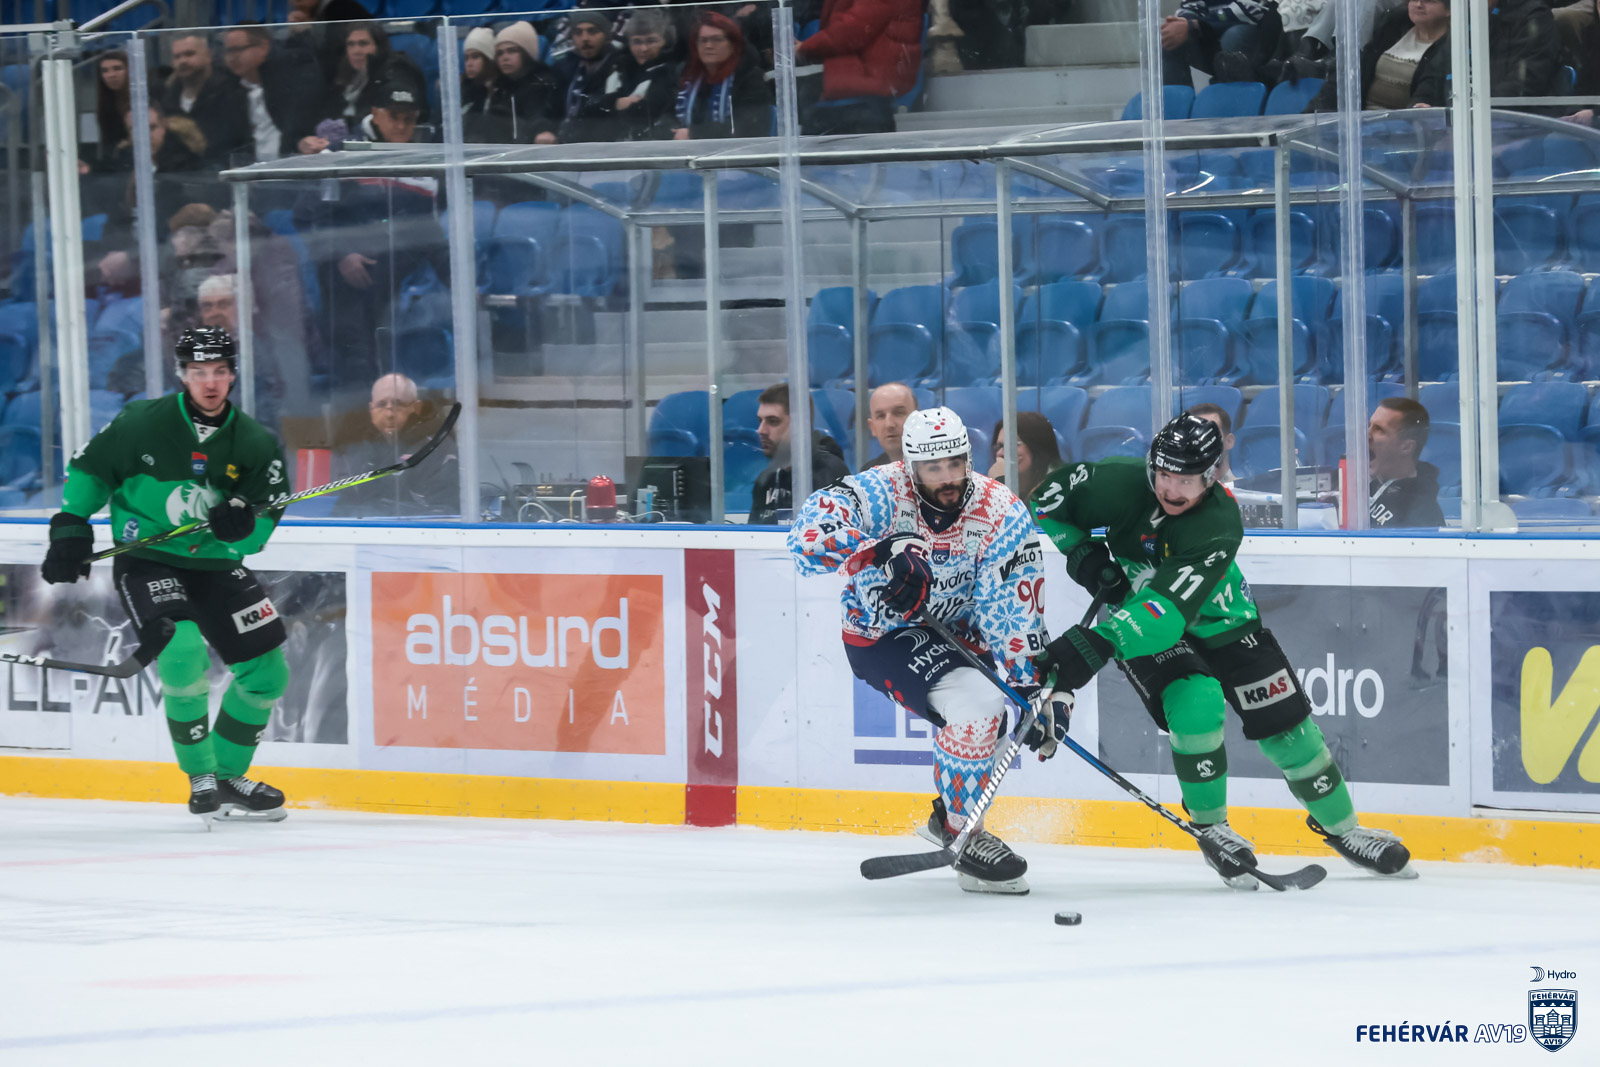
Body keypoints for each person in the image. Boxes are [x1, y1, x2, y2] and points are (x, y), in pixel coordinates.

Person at [1028, 413, 1415, 887]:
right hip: (1145, 624)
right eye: (1164, 474)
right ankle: (1213, 829)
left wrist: (1100, 642)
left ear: (1210, 477)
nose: (1172, 489)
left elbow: (1167, 612)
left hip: (1217, 621)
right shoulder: (1115, 483)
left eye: (1187, 480)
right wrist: (1082, 555)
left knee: (1289, 731)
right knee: (1197, 704)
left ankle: (1345, 830)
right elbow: (1044, 502)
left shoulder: (1218, 521)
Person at [788, 407, 1054, 893]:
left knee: (996, 718)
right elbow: (806, 538)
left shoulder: (1000, 510)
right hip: (882, 633)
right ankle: (963, 834)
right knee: (979, 706)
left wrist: (1033, 688)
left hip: (959, 633)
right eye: (933, 468)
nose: (948, 478)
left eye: (956, 463)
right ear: (910, 468)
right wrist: (883, 549)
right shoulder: (879, 490)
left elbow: (1014, 606)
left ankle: (949, 821)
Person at [38, 326, 292, 826]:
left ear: (233, 374)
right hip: (149, 558)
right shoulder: (142, 423)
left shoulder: (256, 442)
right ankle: (201, 775)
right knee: (181, 649)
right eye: (199, 372)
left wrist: (242, 527)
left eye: (219, 371)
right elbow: (91, 468)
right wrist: (71, 526)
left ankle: (227, 776)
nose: (210, 383)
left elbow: (260, 528)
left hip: (216, 564)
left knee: (268, 674)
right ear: (182, 374)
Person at [331, 373, 459, 517]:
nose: (389, 414)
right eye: (381, 405)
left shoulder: (436, 448)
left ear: (416, 407)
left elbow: (443, 513)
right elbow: (344, 507)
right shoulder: (360, 448)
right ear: (371, 410)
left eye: (398, 404)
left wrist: (374, 511)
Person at [795, 0, 924, 135]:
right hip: (862, 90)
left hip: (863, 95)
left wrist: (804, 48)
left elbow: (853, 29)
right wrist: (806, 47)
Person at [1306, 0, 1451, 111]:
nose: (1418, 4)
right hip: (1361, 120)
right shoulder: (1395, 23)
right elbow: (1358, 69)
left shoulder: (1449, 47)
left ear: (1449, 9)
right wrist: (1312, 114)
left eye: (1429, 1)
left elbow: (1426, 95)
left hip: (1399, 129)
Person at [748, 382, 851, 524]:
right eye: (760, 421)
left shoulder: (829, 474)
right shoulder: (765, 480)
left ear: (800, 425)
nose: (761, 430)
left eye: (773, 421)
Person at [222, 25, 330, 160]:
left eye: (238, 49)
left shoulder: (289, 83)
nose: (232, 57)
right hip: (251, 169)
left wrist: (298, 143)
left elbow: (298, 130)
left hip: (289, 165)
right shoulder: (230, 92)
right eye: (228, 51)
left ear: (263, 47)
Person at [673, 14, 773, 140]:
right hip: (685, 148)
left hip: (736, 150)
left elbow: (747, 126)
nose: (708, 46)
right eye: (703, 40)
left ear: (733, 44)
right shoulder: (686, 76)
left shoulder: (751, 77)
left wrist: (693, 134)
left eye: (717, 39)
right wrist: (671, 132)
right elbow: (664, 118)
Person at [160, 33, 253, 168]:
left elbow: (237, 143)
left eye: (189, 54)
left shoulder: (231, 92)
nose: (183, 61)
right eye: (177, 57)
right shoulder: (167, 99)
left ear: (208, 55)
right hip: (180, 175)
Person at [478, 21, 560, 145]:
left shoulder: (543, 83)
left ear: (526, 53)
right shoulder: (499, 87)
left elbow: (542, 118)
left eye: (512, 51)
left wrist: (542, 130)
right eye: (500, 53)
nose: (505, 57)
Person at [1161, 0, 1277, 88]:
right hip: (1209, 30)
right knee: (1170, 41)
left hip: (1255, 34)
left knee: (1233, 36)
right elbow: (1190, 6)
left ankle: (1237, 99)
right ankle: (1177, 107)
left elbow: (1254, 8)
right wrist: (1184, 23)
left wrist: (1196, 25)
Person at [1368, 397, 1444, 528]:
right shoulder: (1369, 486)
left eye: (1379, 429)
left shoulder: (1421, 511)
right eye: (1369, 426)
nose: (1366, 435)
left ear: (1406, 447)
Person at [552, 11, 627, 144]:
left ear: (607, 35)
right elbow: (550, 110)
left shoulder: (622, 67)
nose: (585, 38)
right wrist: (544, 129)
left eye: (592, 31)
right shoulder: (565, 69)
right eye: (578, 32)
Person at [614, 9, 681, 140]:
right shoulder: (621, 70)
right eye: (637, 42)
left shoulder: (671, 73)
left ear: (665, 40)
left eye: (651, 41)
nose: (643, 48)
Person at [987, 409, 1061, 501]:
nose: (1000, 453)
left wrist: (1001, 482)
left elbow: (1016, 509)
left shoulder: (1058, 487)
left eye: (1012, 444)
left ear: (1037, 446)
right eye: (999, 446)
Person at [863, 381, 917, 469]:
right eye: (881, 416)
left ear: (918, 420)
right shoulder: (869, 472)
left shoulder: (939, 468)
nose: (889, 424)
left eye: (899, 413)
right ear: (872, 427)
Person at [460, 26, 498, 142]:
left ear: (489, 58)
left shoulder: (502, 90)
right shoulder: (463, 90)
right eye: (466, 58)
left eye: (475, 57)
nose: (469, 63)